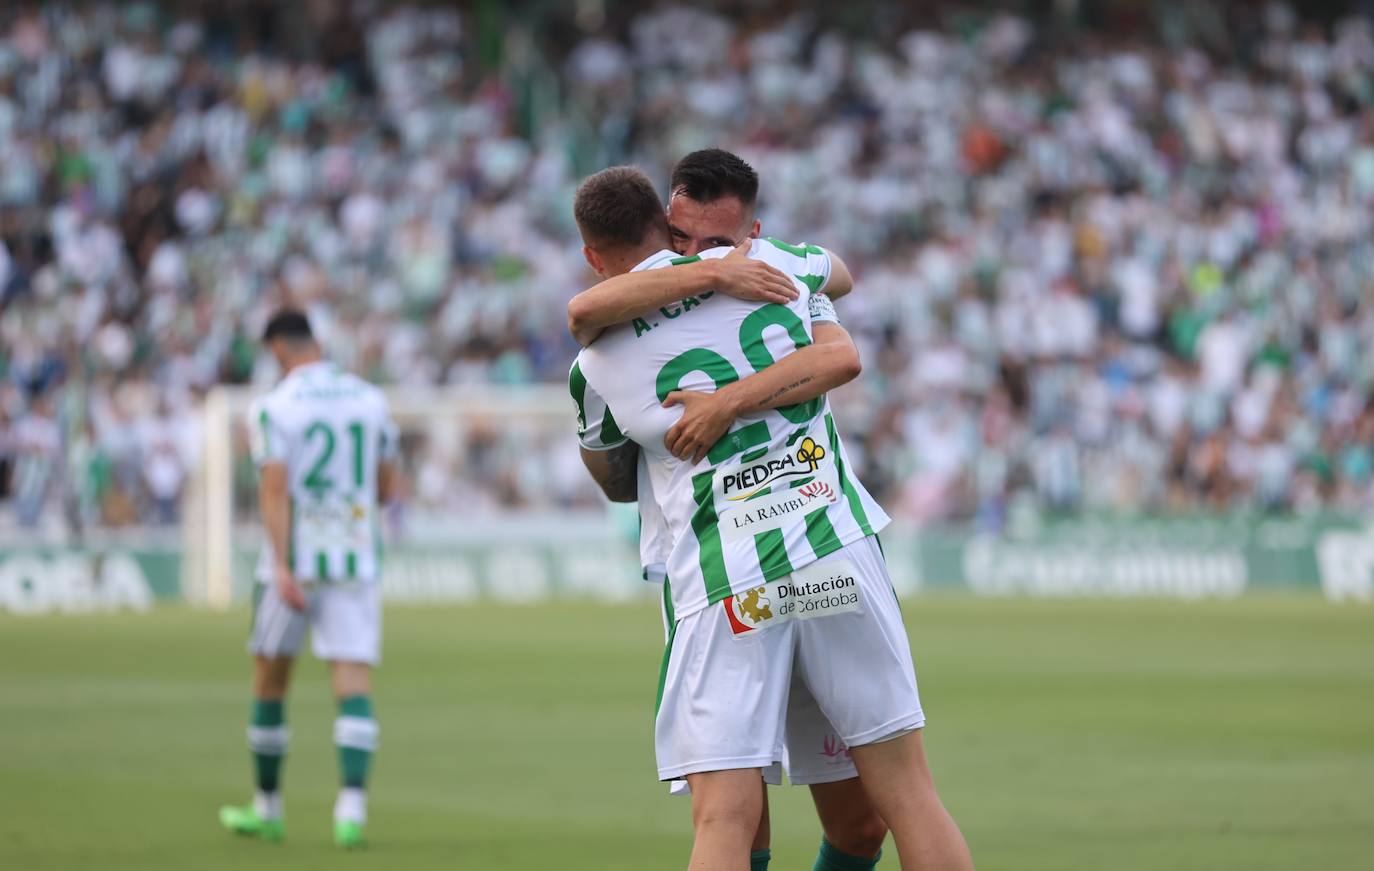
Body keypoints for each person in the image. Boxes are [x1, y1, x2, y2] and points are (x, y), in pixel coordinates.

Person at [568, 166, 974, 870]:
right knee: (909, 795)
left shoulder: (596, 361)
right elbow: (839, 289)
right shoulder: (778, 268)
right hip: (834, 553)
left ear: (592, 256)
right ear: (666, 225)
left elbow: (611, 479)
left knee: (725, 819)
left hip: (728, 582)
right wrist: (731, 266)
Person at [219, 310, 399, 850]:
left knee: (271, 680)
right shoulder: (370, 400)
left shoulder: (273, 407)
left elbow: (274, 489)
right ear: (317, 342)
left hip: (294, 561)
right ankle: (351, 814)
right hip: (354, 556)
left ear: (277, 349)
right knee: (353, 682)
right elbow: (387, 486)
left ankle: (267, 809)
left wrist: (280, 564)